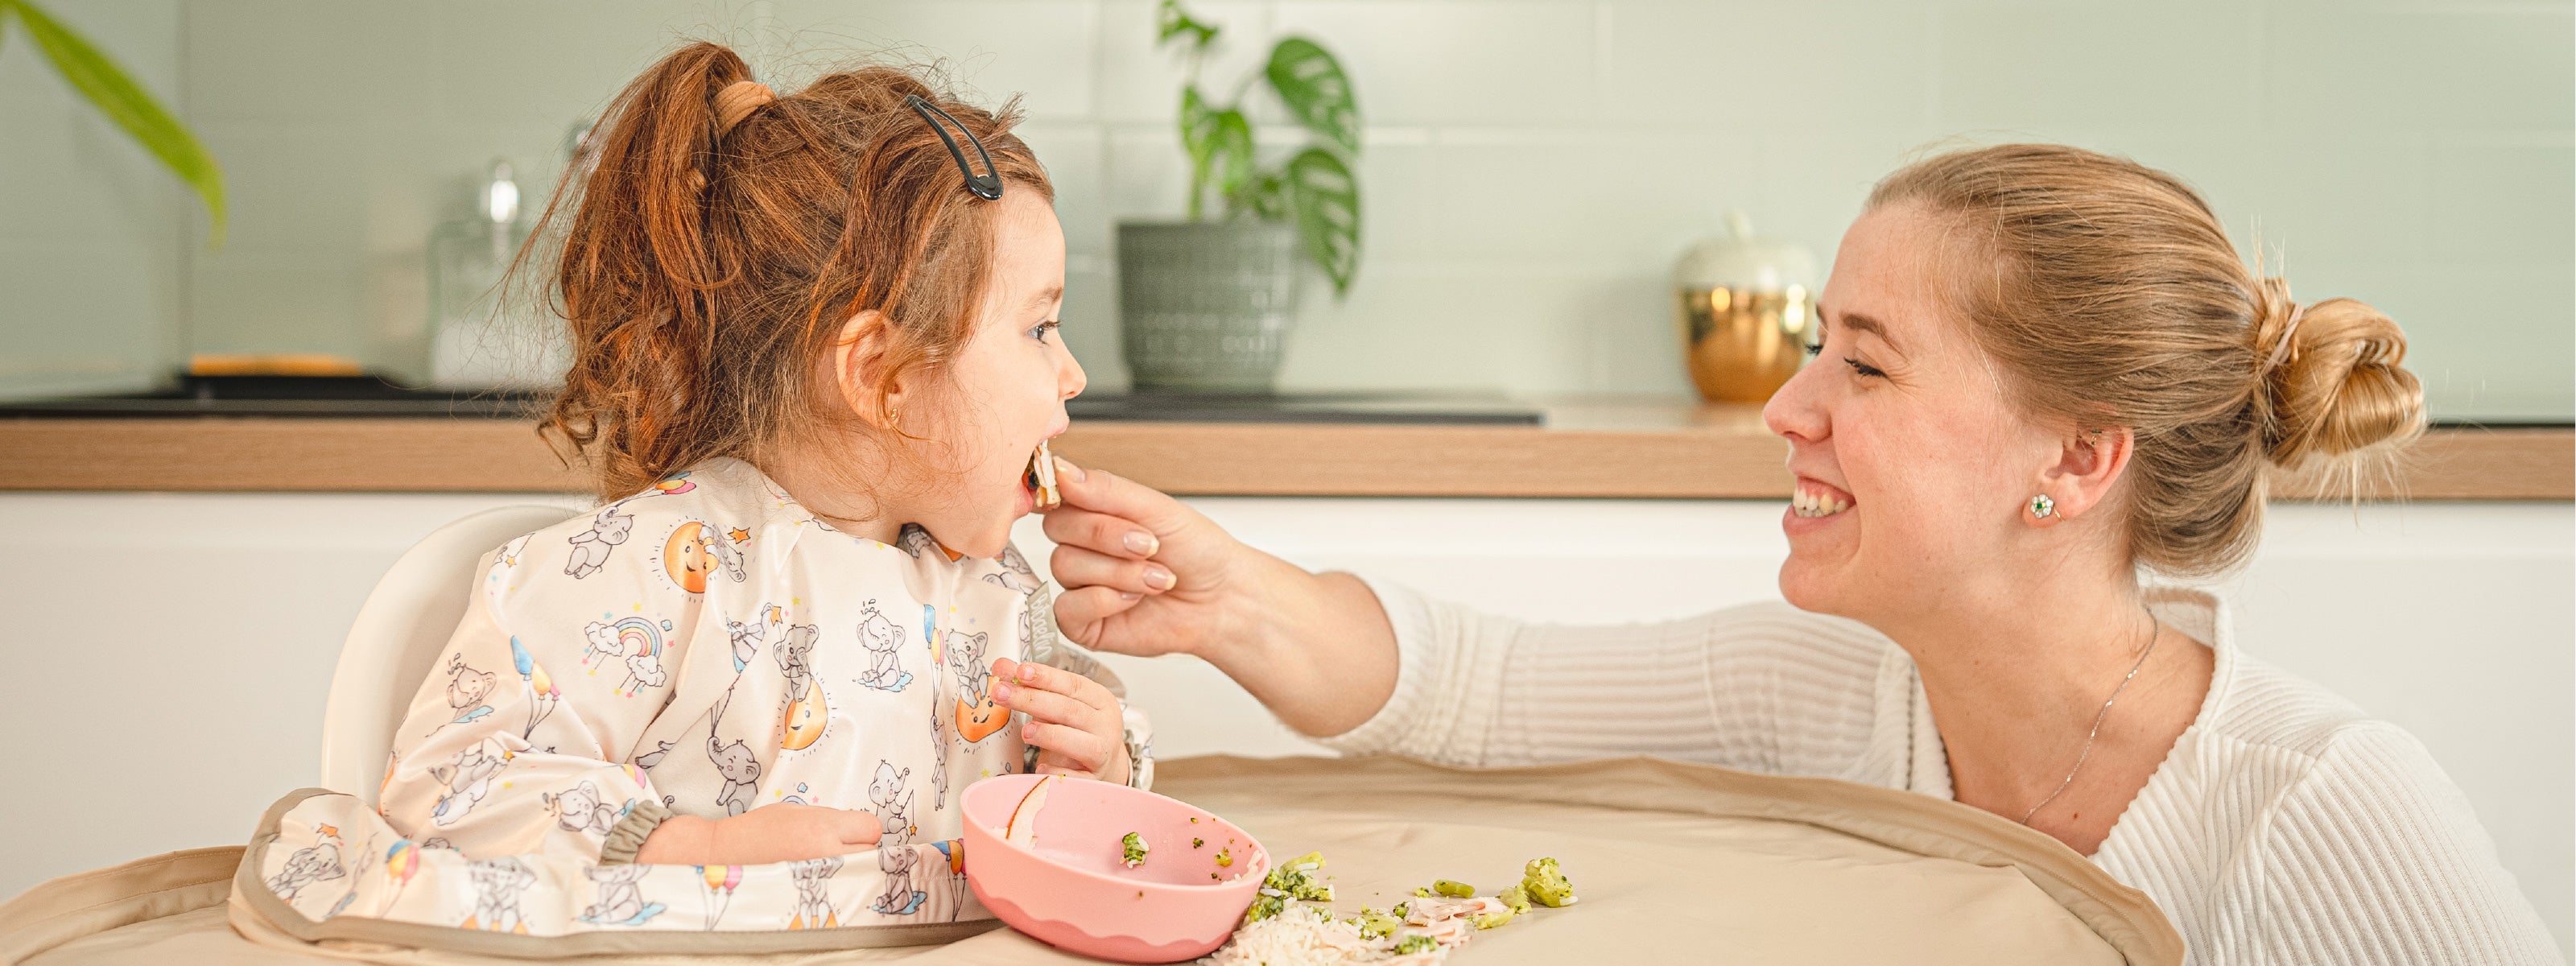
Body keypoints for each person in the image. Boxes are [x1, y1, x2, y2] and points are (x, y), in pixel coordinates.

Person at [1038, 144, 2561, 962]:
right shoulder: (1826, 689)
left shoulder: (2321, 808)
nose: (1788, 405)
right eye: (1816, 344)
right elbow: (1483, 688)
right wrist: (1227, 594)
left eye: (1869, 367)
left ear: (2079, 459)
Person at [380, 43, 1146, 880]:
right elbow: (447, 782)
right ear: (880, 377)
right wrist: (684, 847)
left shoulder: (990, 591)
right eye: (1039, 329)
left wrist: (1097, 765)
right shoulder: (658, 570)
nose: (1072, 375)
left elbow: (1100, 804)